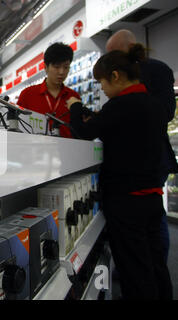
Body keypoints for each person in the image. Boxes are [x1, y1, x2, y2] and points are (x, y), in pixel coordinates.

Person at [66, 45, 173, 300]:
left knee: (135, 271)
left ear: (115, 76)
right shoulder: (155, 105)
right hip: (152, 200)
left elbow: (84, 131)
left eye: (101, 81)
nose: (101, 88)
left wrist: (74, 107)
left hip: (126, 203)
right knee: (156, 265)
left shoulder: (120, 106)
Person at [106, 29, 178, 264]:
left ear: (127, 48)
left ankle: (154, 267)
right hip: (137, 159)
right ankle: (149, 268)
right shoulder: (125, 74)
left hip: (150, 159)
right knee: (148, 218)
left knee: (152, 220)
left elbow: (166, 113)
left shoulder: (155, 70)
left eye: (113, 53)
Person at [17, 42, 80, 138]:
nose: (61, 72)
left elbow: (78, 131)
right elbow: (18, 128)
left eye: (66, 67)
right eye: (56, 67)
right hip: (34, 150)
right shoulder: (27, 95)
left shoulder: (73, 97)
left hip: (67, 150)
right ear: (45, 67)